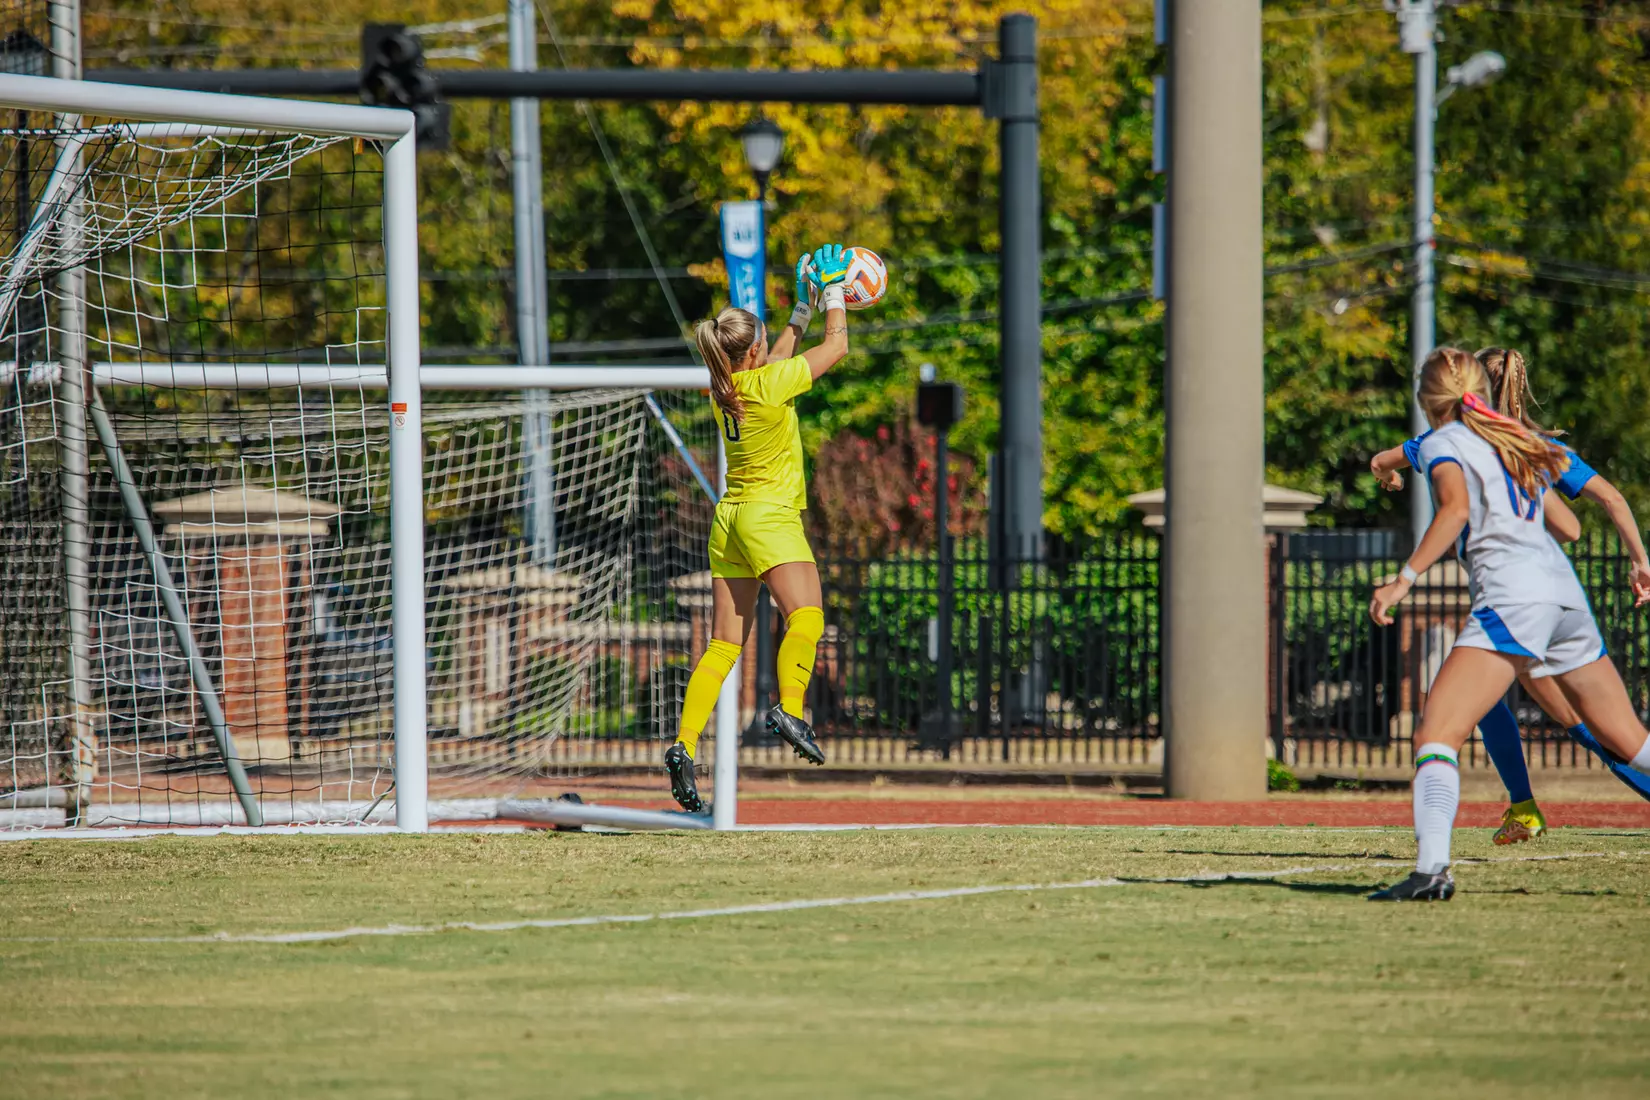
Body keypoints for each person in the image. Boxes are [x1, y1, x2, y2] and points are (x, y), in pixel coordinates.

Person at [1367, 347, 1650, 901]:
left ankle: (1430, 872)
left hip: (1514, 602)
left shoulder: (1444, 441)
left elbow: (1453, 512)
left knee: (1435, 735)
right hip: (1563, 598)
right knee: (1629, 741)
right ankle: (1513, 811)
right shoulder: (1512, 439)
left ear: (1427, 400)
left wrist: (1403, 579)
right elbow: (1568, 525)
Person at [662, 244, 855, 813]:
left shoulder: (727, 385)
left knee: (723, 644)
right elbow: (837, 345)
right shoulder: (769, 386)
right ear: (754, 352)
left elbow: (777, 356)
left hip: (730, 520)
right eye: (766, 340)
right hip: (769, 516)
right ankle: (791, 707)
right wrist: (836, 293)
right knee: (808, 616)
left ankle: (682, 744)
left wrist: (802, 302)